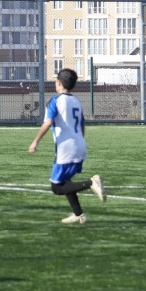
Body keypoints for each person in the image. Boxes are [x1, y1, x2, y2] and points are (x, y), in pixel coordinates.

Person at [27, 68, 106, 225]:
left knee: (57, 187)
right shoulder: (76, 101)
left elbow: (48, 122)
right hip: (79, 144)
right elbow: (82, 125)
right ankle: (78, 214)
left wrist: (35, 141)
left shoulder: (55, 101)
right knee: (66, 180)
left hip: (65, 148)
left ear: (58, 83)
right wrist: (79, 141)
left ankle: (91, 183)